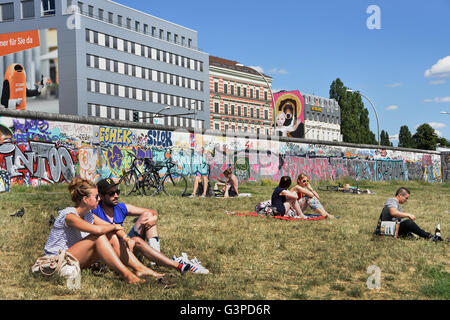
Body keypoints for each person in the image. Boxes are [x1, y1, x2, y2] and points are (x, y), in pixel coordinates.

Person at [43, 178, 162, 284]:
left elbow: (111, 227)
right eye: (96, 196)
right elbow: (98, 229)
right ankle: (128, 275)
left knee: (111, 235)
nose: (99, 199)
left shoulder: (89, 215)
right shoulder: (69, 215)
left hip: (73, 260)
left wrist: (125, 237)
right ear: (85, 199)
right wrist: (114, 227)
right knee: (98, 236)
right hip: (56, 261)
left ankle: (141, 269)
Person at [93, 178, 193, 274]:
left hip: (124, 245)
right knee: (136, 240)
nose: (116, 196)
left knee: (148, 216)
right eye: (111, 194)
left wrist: (155, 218)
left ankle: (157, 259)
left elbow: (151, 212)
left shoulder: (120, 207)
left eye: (117, 192)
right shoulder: (95, 210)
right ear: (101, 196)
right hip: (109, 253)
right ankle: (174, 265)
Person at [377, 187, 441, 240]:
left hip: (395, 228)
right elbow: (393, 213)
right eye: (406, 198)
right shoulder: (392, 200)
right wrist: (408, 214)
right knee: (408, 223)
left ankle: (434, 238)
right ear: (400, 195)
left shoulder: (396, 204)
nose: (406, 200)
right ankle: (428, 236)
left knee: (410, 232)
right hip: (388, 228)